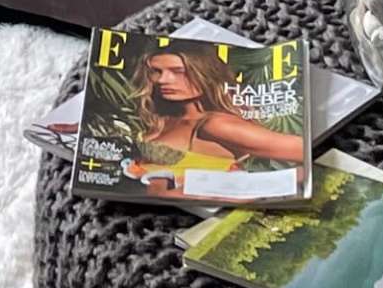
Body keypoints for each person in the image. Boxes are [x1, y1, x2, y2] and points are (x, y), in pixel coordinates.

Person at [123, 47, 306, 190]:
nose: (163, 80)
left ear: (205, 74)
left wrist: (262, 185)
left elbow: (304, 150)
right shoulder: (163, 118)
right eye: (156, 71)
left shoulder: (215, 125)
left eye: (178, 71)